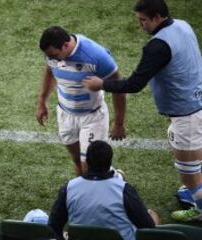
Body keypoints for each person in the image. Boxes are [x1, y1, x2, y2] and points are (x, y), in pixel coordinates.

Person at [82, 0, 202, 221]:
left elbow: (135, 84)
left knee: (188, 173)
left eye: (143, 20)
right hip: (198, 102)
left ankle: (200, 207)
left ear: (157, 17)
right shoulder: (183, 25)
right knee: (196, 159)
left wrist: (102, 84)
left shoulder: (157, 46)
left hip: (187, 115)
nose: (140, 26)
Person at [36, 26, 126, 176]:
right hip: (65, 115)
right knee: (77, 162)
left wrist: (119, 123)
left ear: (65, 46)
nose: (52, 60)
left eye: (54, 56)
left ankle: (115, 178)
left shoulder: (96, 56)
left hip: (92, 117)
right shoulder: (53, 55)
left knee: (89, 167)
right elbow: (49, 70)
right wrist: (42, 101)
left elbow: (119, 87)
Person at [48, 141, 159, 240]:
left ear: (86, 161)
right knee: (152, 215)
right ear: (110, 163)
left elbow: (53, 228)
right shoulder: (124, 189)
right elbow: (148, 227)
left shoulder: (69, 188)